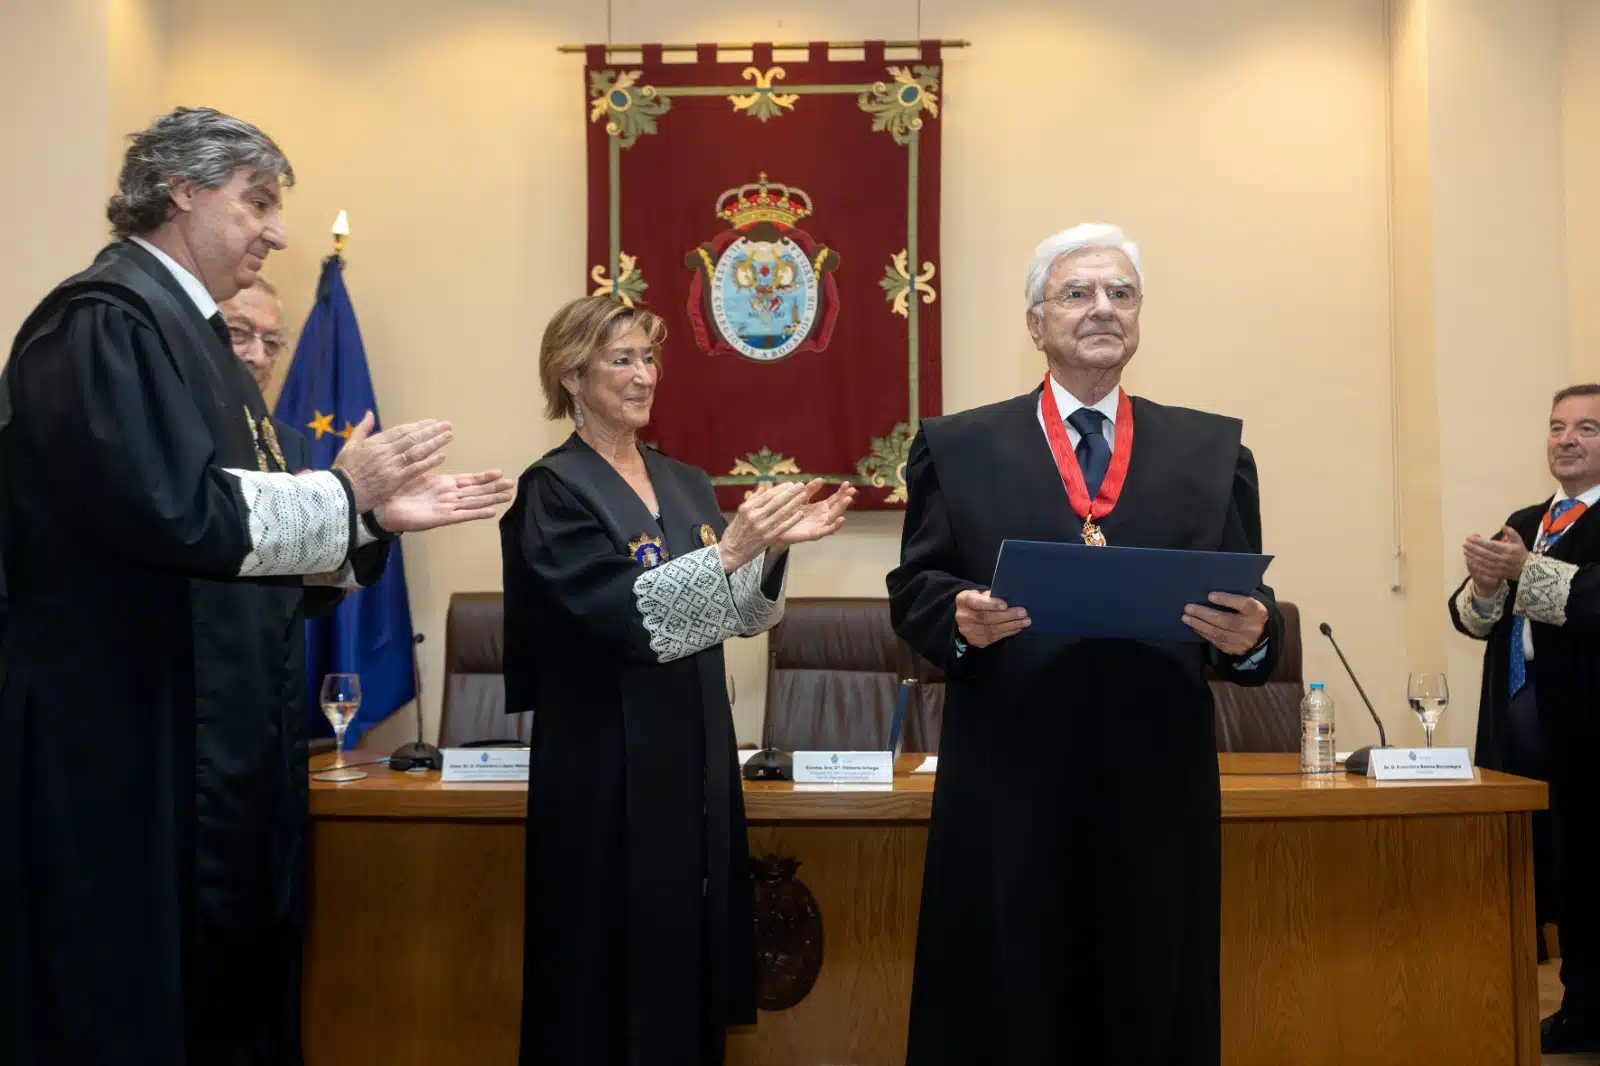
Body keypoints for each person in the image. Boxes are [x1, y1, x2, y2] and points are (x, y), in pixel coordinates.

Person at [0, 106, 514, 1066]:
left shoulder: (212, 352)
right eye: (259, 203)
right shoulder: (102, 325)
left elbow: (246, 552)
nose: (276, 232)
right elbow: (171, 516)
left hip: (223, 754)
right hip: (132, 756)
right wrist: (340, 491)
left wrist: (367, 520)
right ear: (182, 192)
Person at [886, 223, 1284, 1065]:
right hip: (1009, 775)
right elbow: (915, 588)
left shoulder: (1214, 451)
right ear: (1036, 322)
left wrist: (1255, 636)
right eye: (1078, 293)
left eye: (1122, 293)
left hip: (1157, 780)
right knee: (1007, 1001)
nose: (1103, 309)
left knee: (1152, 997)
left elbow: (1251, 607)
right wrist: (955, 613)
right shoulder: (957, 447)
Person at [501, 295, 854, 1065]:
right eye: (621, 359)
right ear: (570, 373)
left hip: (694, 751)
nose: (643, 376)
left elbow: (739, 614)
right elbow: (610, 614)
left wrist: (769, 550)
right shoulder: (553, 489)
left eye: (649, 358)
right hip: (602, 760)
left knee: (687, 952)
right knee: (602, 962)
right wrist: (727, 553)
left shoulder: (685, 479)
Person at [1449, 383, 1600, 1054]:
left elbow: (1591, 597)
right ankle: (1581, 1008)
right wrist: (1484, 586)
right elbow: (1479, 619)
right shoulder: (1527, 516)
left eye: (1587, 428)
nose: (1565, 439)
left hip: (1590, 725)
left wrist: (1524, 569)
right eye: (1556, 426)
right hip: (1521, 719)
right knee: (1558, 871)